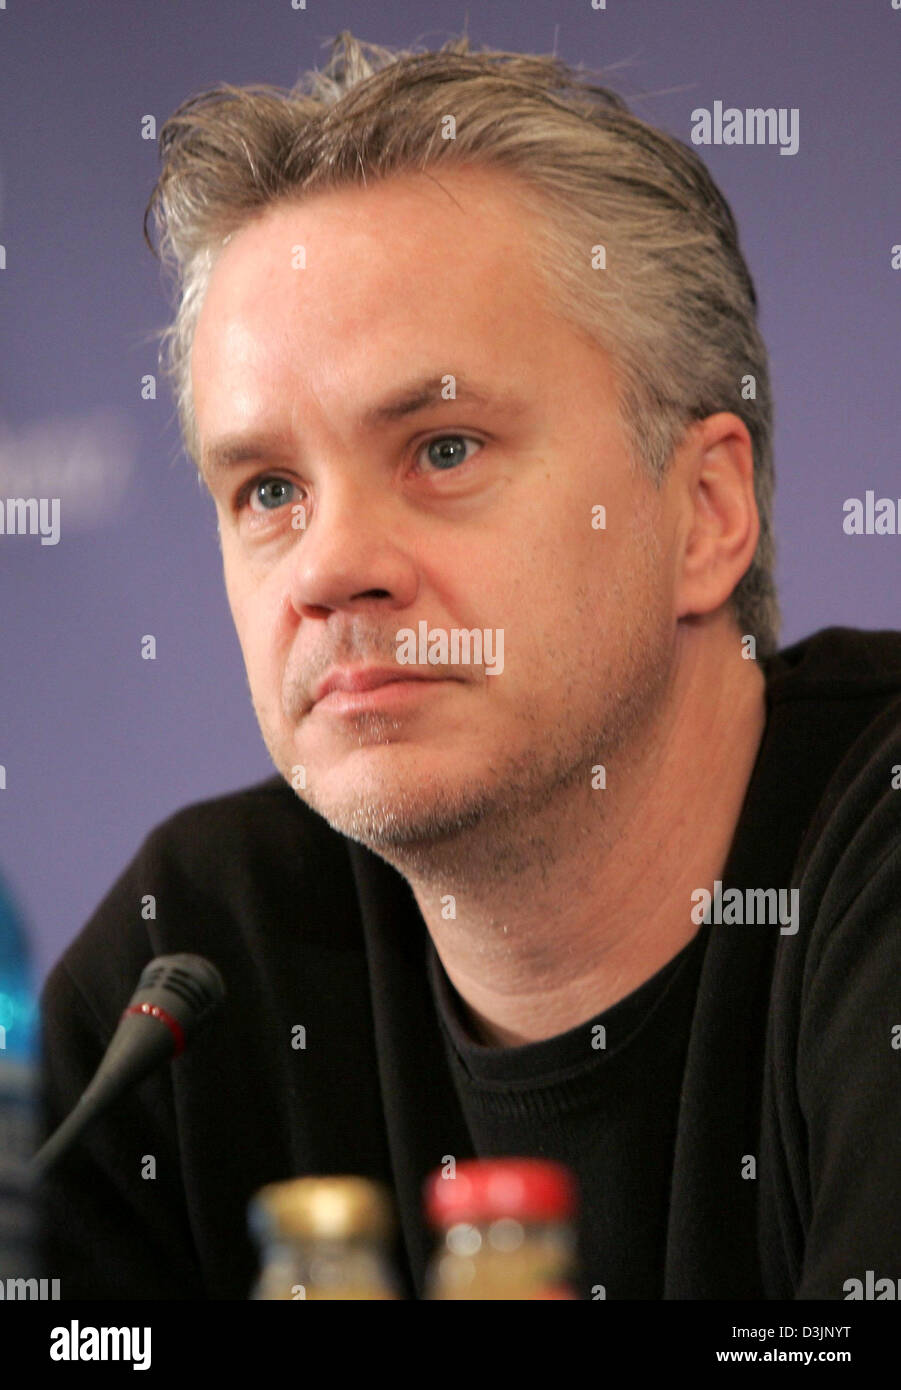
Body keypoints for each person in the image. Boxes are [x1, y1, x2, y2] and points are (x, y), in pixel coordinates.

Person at [38, 30, 901, 1301]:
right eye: (268, 487)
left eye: (444, 449)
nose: (329, 566)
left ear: (705, 512)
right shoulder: (193, 971)